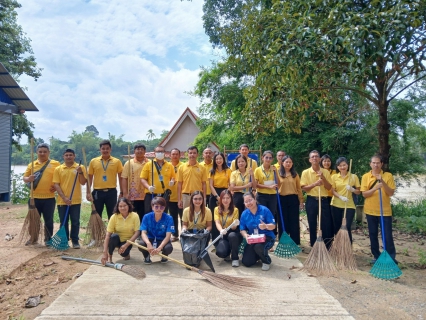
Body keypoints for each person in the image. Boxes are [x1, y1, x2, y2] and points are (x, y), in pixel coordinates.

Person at [361, 154, 396, 264]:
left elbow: (390, 193)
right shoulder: (365, 176)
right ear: (370, 164)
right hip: (370, 211)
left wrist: (382, 182)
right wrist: (375, 188)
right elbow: (364, 194)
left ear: (382, 164)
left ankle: (390, 257)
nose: (376, 165)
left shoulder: (388, 175)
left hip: (384, 211)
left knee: (387, 235)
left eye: (378, 163)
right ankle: (376, 256)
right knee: (373, 234)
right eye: (374, 163)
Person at [23, 143, 60, 245]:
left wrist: (56, 186)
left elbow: (61, 177)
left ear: (49, 152)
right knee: (34, 220)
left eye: (45, 152)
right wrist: (28, 179)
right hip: (33, 198)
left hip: (49, 198)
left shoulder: (56, 164)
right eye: (40, 152)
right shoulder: (32, 164)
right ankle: (33, 238)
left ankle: (48, 239)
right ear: (37, 152)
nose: (42, 153)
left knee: (48, 220)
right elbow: (24, 178)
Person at [53, 148, 87, 249]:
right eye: (66, 155)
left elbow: (83, 182)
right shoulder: (58, 169)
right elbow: (56, 184)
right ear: (63, 156)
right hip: (62, 201)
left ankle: (75, 241)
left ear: (74, 156)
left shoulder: (80, 167)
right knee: (64, 222)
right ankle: (64, 241)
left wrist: (80, 172)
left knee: (75, 221)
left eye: (70, 155)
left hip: (75, 200)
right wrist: (64, 198)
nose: (68, 157)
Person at [300, 150, 334, 249]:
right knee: (312, 222)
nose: (315, 158)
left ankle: (327, 245)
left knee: (325, 223)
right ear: (310, 160)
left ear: (320, 159)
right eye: (313, 157)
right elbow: (304, 188)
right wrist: (315, 184)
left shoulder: (325, 172)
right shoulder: (305, 172)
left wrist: (323, 178)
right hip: (311, 200)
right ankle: (314, 245)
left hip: (323, 200)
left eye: (316, 156)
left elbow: (329, 187)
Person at [87, 140, 123, 220]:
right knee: (96, 213)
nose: (105, 150)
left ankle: (112, 232)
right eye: (103, 148)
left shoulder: (117, 161)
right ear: (100, 150)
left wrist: (122, 192)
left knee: (112, 214)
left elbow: (121, 178)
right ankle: (97, 232)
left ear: (110, 149)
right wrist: (88, 192)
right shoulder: (93, 161)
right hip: (97, 192)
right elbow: (89, 178)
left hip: (111, 192)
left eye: (107, 148)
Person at [240, 192, 276, 271]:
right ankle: (259, 254)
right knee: (247, 262)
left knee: (258, 247)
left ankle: (266, 260)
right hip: (254, 239)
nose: (249, 203)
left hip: (267, 237)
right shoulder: (244, 214)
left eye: (250, 200)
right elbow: (242, 229)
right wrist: (246, 236)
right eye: (246, 202)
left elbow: (273, 226)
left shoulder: (264, 210)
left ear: (255, 199)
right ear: (244, 203)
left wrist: (265, 226)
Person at [101, 198, 140, 264]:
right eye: (120, 206)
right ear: (117, 207)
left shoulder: (135, 216)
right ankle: (110, 256)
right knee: (113, 236)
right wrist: (105, 252)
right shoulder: (114, 217)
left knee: (124, 253)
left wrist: (126, 245)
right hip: (117, 239)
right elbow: (108, 235)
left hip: (128, 241)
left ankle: (126, 255)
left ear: (129, 206)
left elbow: (137, 232)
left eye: (124, 206)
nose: (123, 208)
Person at [331, 157, 361, 243]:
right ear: (337, 167)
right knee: (337, 227)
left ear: (347, 165)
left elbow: (359, 192)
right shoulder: (334, 177)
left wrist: (352, 190)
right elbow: (332, 191)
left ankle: (347, 248)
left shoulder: (353, 177)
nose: (342, 167)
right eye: (340, 165)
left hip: (349, 206)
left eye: (344, 165)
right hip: (336, 204)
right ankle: (338, 247)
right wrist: (340, 197)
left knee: (347, 227)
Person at [138, 197, 174, 264]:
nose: (159, 209)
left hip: (162, 240)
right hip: (150, 239)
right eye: (156, 207)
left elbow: (168, 236)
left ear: (164, 208)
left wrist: (160, 247)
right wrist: (148, 244)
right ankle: (146, 256)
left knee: (168, 248)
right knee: (141, 244)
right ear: (152, 207)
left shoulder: (169, 218)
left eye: (161, 207)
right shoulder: (146, 217)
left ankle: (164, 256)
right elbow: (143, 233)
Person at [277, 155, 304, 244]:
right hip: (281, 199)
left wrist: (301, 201)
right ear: (282, 163)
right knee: (282, 220)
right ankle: (283, 241)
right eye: (286, 162)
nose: (288, 164)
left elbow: (299, 188)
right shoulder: (277, 173)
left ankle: (295, 242)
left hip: (293, 199)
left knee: (294, 221)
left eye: (290, 162)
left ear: (292, 164)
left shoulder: (295, 174)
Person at [140, 145, 175, 213]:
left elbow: (173, 178)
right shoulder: (148, 164)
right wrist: (148, 187)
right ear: (154, 153)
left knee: (163, 214)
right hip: (151, 194)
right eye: (158, 151)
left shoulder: (169, 165)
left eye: (162, 151)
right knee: (149, 214)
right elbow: (142, 178)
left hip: (164, 195)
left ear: (164, 153)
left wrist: (172, 181)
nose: (160, 153)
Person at [253, 150, 279, 239]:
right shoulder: (257, 170)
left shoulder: (274, 169)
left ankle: (269, 237)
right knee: (261, 215)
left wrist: (276, 173)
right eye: (266, 157)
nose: (268, 159)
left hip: (272, 196)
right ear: (262, 158)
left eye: (270, 158)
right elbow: (256, 184)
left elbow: (278, 183)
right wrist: (269, 187)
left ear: (272, 159)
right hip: (261, 195)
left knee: (270, 216)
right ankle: (261, 236)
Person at [122, 143, 149, 224]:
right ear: (134, 151)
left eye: (141, 149)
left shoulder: (150, 163)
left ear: (145, 151)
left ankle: (143, 234)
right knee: (131, 216)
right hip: (132, 195)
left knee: (144, 216)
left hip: (146, 195)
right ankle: (132, 234)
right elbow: (124, 178)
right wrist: (125, 193)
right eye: (137, 149)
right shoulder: (129, 163)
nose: (139, 151)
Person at [214, 190, 241, 267]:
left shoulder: (235, 210)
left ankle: (235, 258)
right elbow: (217, 222)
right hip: (223, 233)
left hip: (233, 233)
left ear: (231, 199)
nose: (225, 200)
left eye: (228, 198)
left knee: (232, 236)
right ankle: (227, 252)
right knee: (220, 252)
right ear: (221, 199)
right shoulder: (217, 209)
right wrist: (221, 230)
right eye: (223, 198)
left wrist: (234, 224)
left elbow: (234, 227)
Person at [208, 152, 231, 238]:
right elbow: (210, 185)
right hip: (214, 194)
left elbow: (230, 184)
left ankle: (225, 235)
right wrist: (217, 197)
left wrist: (225, 195)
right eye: (217, 159)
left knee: (225, 214)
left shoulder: (228, 170)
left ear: (223, 160)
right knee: (215, 217)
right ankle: (215, 237)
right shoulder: (212, 171)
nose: (218, 160)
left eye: (220, 158)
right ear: (214, 160)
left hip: (225, 193)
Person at [168, 148, 184, 242]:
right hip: (170, 196)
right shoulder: (167, 166)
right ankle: (174, 234)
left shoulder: (183, 166)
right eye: (173, 154)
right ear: (170, 155)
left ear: (179, 155)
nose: (175, 156)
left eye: (176, 154)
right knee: (172, 216)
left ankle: (183, 233)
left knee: (183, 216)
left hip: (181, 196)